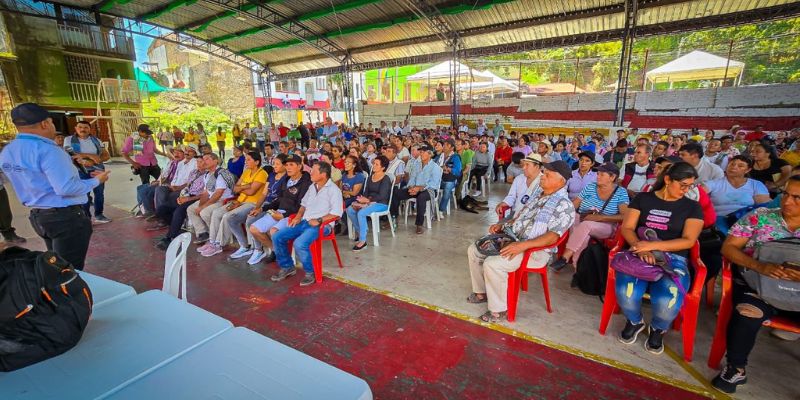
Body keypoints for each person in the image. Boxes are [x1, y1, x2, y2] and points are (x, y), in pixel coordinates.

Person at [710, 176, 800, 394]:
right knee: (747, 313)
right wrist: (760, 266)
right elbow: (729, 248)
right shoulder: (761, 217)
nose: (787, 201)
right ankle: (736, 368)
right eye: (785, 194)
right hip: (757, 286)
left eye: (797, 198)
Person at [0, 103, 110, 269]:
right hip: (65, 219)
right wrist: (96, 181)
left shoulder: (9, 151)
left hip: (39, 216)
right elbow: (66, 188)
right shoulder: (48, 150)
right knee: (68, 270)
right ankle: (69, 294)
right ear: (45, 123)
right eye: (51, 123)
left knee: (56, 266)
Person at [466, 161, 575, 322]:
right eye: (543, 173)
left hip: (535, 251)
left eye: (547, 175)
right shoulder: (539, 194)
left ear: (561, 181)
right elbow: (520, 216)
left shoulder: (564, 205)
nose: (542, 177)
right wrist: (503, 225)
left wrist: (522, 245)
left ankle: (499, 310)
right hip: (514, 238)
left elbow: (552, 237)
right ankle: (481, 292)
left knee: (493, 263)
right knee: (474, 250)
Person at [614, 162, 703, 354]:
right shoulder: (643, 199)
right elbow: (627, 228)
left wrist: (652, 246)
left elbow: (688, 241)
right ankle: (635, 321)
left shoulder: (692, 207)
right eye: (683, 185)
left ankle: (658, 328)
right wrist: (640, 247)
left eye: (690, 186)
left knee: (668, 301)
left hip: (673, 259)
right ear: (668, 180)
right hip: (639, 253)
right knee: (626, 293)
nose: (686, 190)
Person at [271, 162, 344, 286]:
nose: (310, 173)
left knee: (299, 243)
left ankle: (310, 273)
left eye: (314, 171)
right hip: (305, 222)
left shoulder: (334, 190)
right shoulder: (312, 187)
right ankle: (287, 266)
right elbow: (303, 205)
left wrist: (319, 220)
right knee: (277, 236)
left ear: (323, 174)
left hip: (322, 225)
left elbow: (336, 214)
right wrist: (298, 217)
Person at [551, 162, 629, 271]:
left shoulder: (621, 192)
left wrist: (600, 218)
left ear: (612, 177)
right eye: (598, 174)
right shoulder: (591, 186)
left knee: (585, 226)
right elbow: (575, 204)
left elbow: (624, 216)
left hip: (606, 226)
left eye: (602, 174)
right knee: (577, 222)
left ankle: (565, 257)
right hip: (584, 219)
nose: (598, 176)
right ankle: (577, 267)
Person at [703, 155, 771, 235]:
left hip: (745, 219)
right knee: (723, 234)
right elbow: (698, 194)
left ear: (748, 170)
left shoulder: (756, 185)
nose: (734, 167)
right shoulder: (714, 183)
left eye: (740, 166)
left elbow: (763, 207)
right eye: (732, 164)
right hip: (720, 218)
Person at [64, 120, 112, 224]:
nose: (83, 129)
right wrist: (91, 156)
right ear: (76, 129)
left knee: (99, 194)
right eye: (80, 127)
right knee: (84, 194)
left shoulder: (96, 140)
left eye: (86, 127)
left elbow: (106, 156)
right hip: (79, 171)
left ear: (89, 129)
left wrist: (91, 160)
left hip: (97, 170)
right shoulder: (68, 140)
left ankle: (99, 215)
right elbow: (70, 155)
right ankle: (86, 217)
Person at [389, 146, 442, 234]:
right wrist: (410, 187)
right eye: (420, 152)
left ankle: (419, 224)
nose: (421, 154)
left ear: (429, 154)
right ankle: (394, 217)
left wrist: (419, 188)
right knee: (396, 192)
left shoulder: (435, 167)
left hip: (429, 190)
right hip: (415, 188)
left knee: (421, 197)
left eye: (423, 152)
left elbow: (434, 184)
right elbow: (412, 178)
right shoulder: (417, 165)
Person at [187, 153, 236, 245]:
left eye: (207, 159)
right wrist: (201, 205)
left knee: (204, 212)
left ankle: (216, 237)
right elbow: (206, 193)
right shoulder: (207, 174)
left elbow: (218, 193)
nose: (204, 161)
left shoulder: (221, 173)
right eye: (203, 159)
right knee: (191, 209)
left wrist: (203, 207)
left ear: (215, 161)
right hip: (213, 199)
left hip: (224, 200)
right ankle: (203, 233)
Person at [347, 156, 393, 251]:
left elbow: (382, 196)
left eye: (377, 164)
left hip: (381, 204)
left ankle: (363, 242)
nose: (374, 166)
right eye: (374, 163)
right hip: (369, 202)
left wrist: (367, 201)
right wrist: (361, 200)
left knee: (361, 213)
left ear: (383, 167)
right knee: (350, 209)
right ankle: (361, 231)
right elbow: (366, 193)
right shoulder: (370, 177)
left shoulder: (386, 179)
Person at [437, 139, 462, 215]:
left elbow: (458, 171)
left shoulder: (455, 157)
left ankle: (441, 210)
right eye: (444, 145)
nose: (444, 147)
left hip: (451, 179)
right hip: (439, 178)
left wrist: (448, 169)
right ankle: (428, 208)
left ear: (451, 148)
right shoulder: (439, 156)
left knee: (447, 187)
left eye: (446, 145)